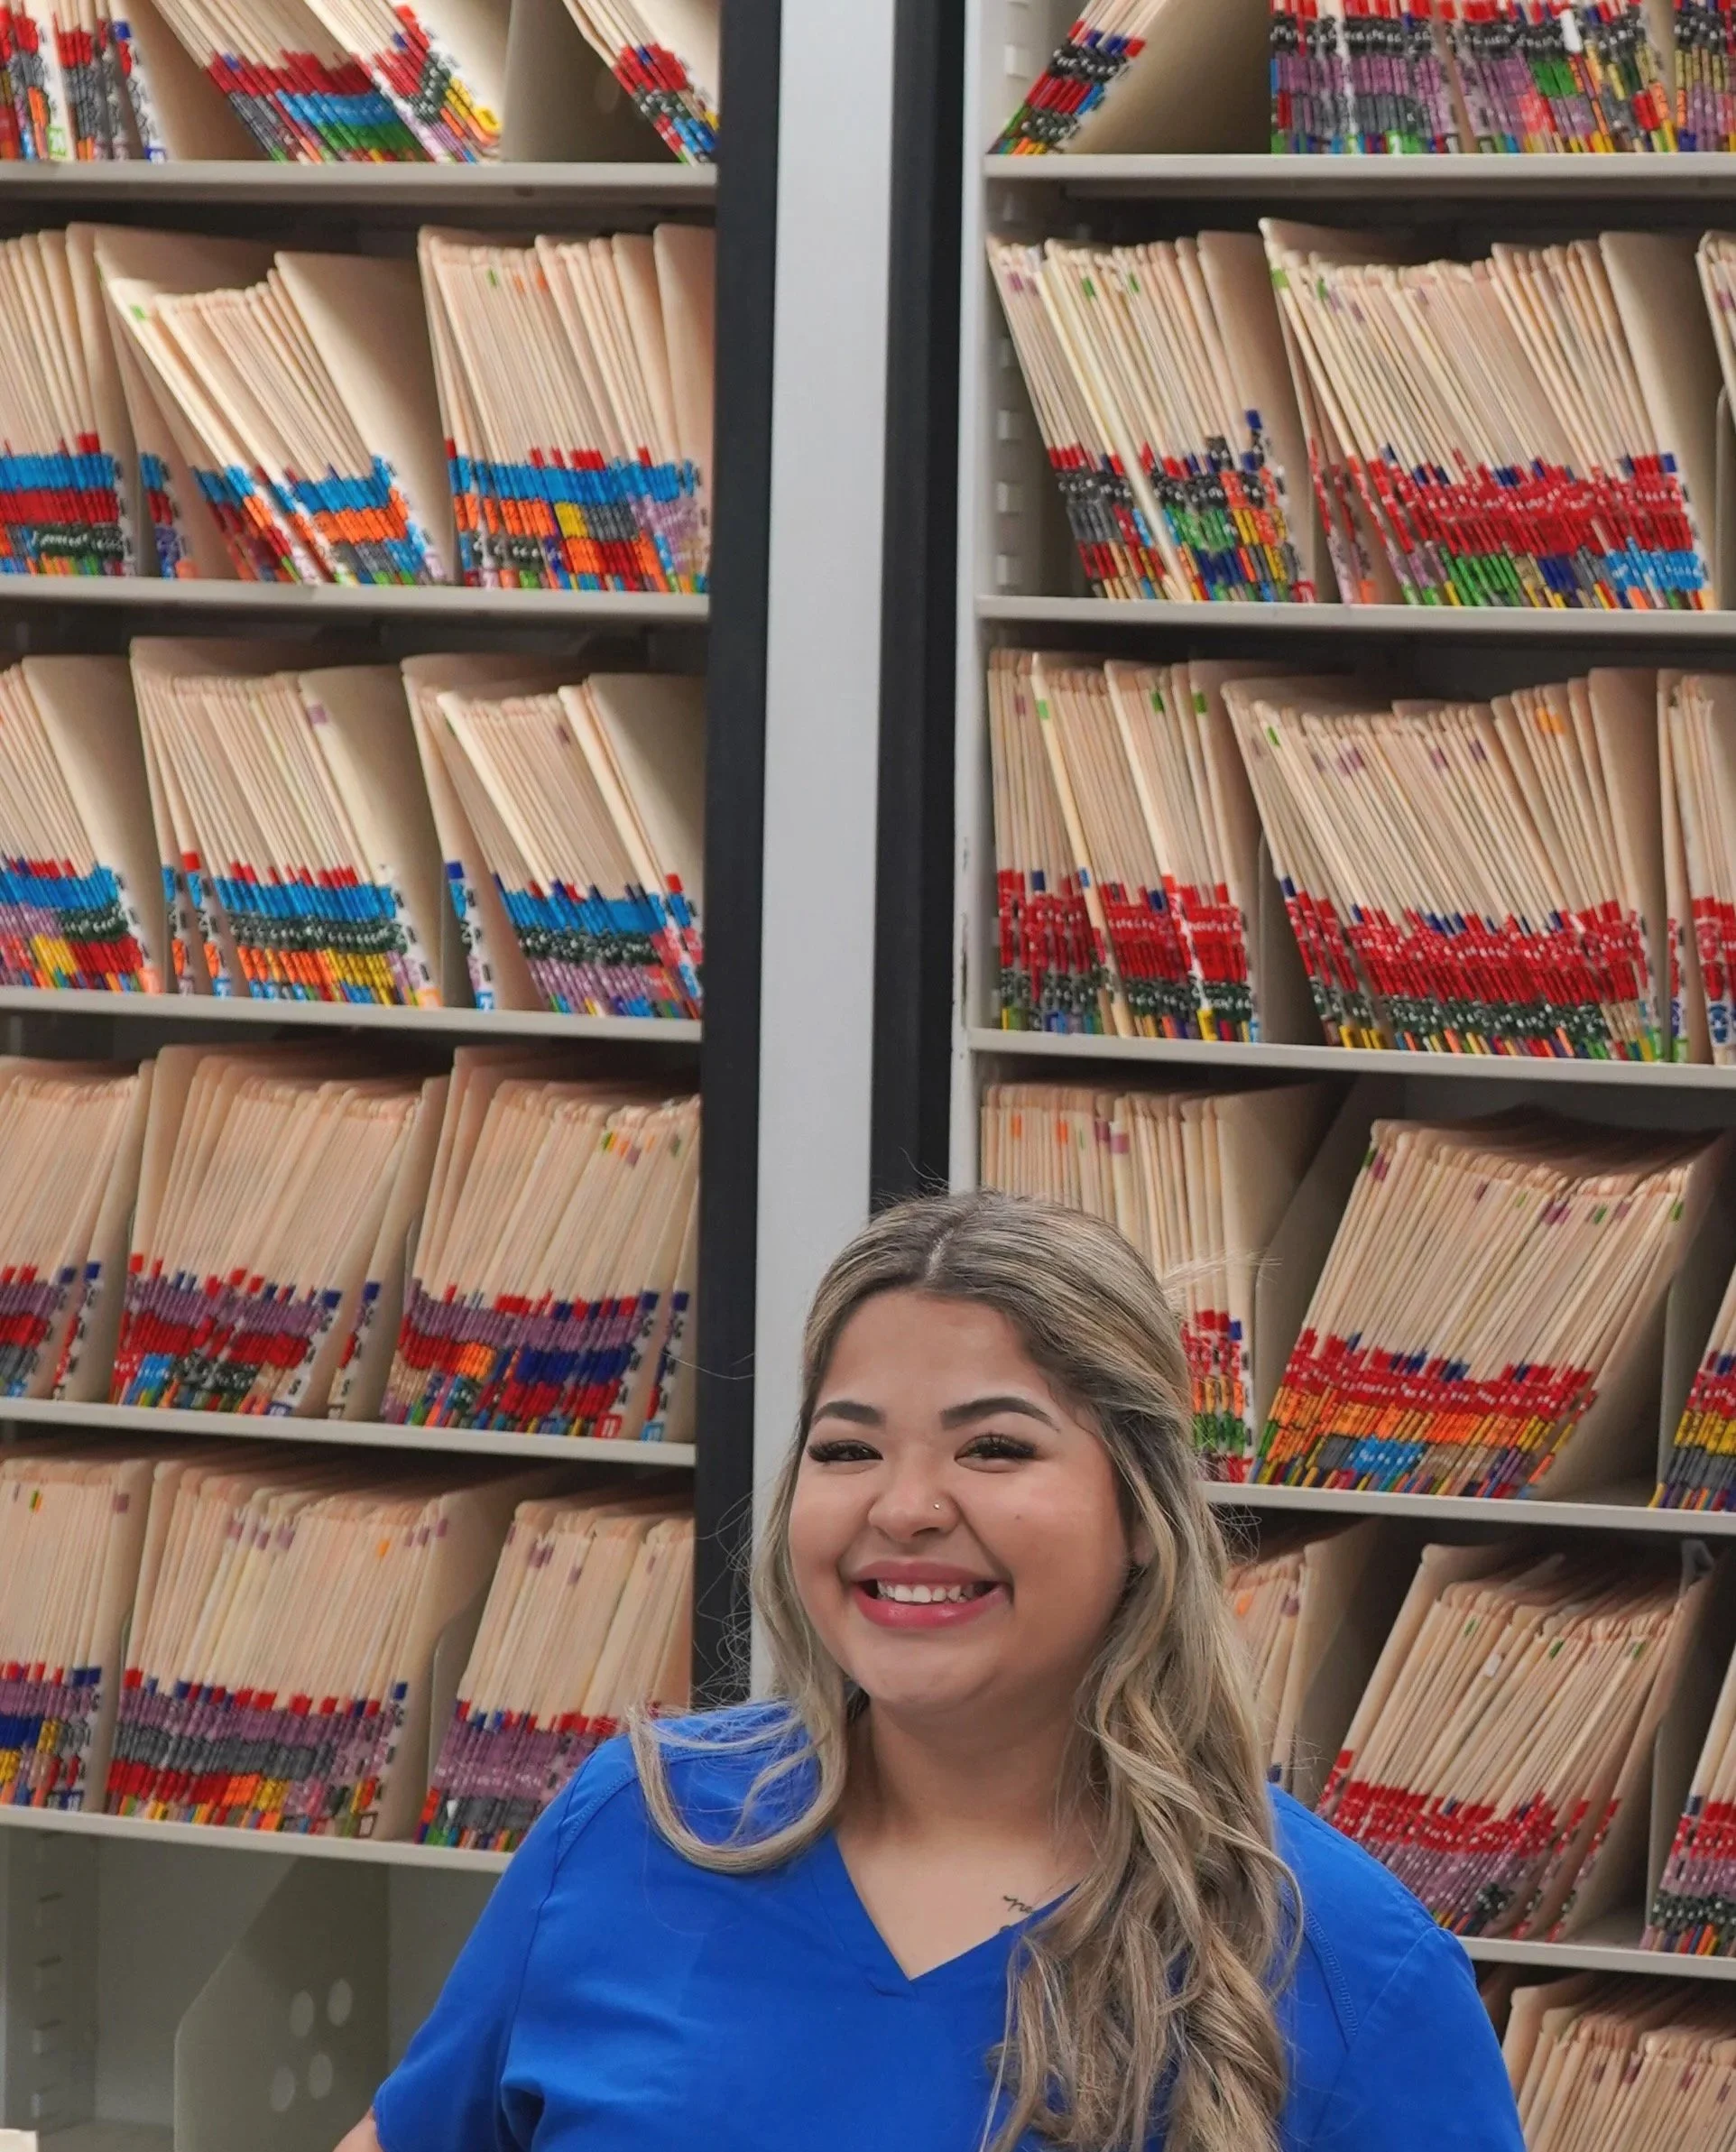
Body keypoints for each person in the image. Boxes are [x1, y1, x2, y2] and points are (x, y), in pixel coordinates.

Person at [337, 1191, 1524, 2152]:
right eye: (847, 1448)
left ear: (1145, 1511)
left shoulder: (1353, 1966)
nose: (904, 1508)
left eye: (995, 1447)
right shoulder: (631, 1824)